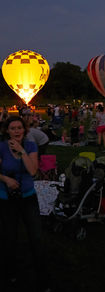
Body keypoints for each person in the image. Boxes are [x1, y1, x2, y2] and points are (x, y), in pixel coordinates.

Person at [0, 117, 43, 287]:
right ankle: (10, 273)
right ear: (7, 131)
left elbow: (33, 171)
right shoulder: (2, 147)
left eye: (19, 128)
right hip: (6, 198)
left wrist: (21, 150)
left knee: (36, 237)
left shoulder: (30, 146)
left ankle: (40, 273)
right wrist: (5, 179)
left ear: (25, 130)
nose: (17, 131)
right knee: (10, 237)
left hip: (27, 196)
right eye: (13, 128)